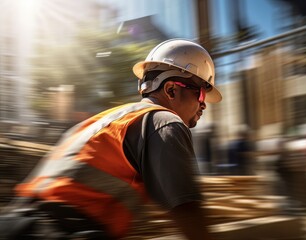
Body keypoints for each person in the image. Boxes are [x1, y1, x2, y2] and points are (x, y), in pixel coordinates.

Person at [0, 39, 222, 240]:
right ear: (171, 89)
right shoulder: (165, 122)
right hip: (61, 231)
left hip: (17, 223)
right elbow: (187, 210)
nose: (204, 104)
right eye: (201, 93)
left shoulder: (104, 120)